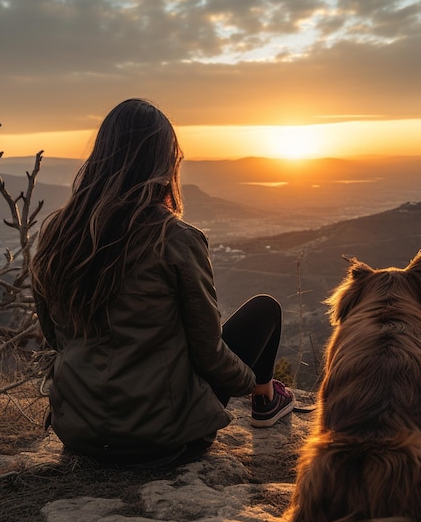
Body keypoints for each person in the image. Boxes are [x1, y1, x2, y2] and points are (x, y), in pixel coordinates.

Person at [31, 98, 294, 466]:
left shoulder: (58, 232)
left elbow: (54, 335)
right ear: (164, 162)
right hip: (163, 439)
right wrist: (250, 382)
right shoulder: (175, 238)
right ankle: (268, 398)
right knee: (265, 309)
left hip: (79, 431)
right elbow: (209, 353)